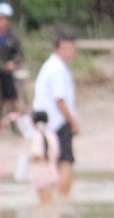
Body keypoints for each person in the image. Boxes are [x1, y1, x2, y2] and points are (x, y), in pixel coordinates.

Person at [32, 32, 79, 198]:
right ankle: (63, 199)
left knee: (48, 164)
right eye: (71, 48)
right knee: (65, 162)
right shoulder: (57, 69)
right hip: (57, 123)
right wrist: (73, 122)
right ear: (62, 47)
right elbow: (60, 100)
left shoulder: (51, 67)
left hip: (45, 124)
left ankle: (52, 202)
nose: (73, 52)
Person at [23, 110, 57, 205]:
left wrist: (29, 159)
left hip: (40, 171)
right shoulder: (51, 134)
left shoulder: (37, 136)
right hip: (52, 169)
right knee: (50, 198)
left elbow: (37, 154)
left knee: (43, 200)